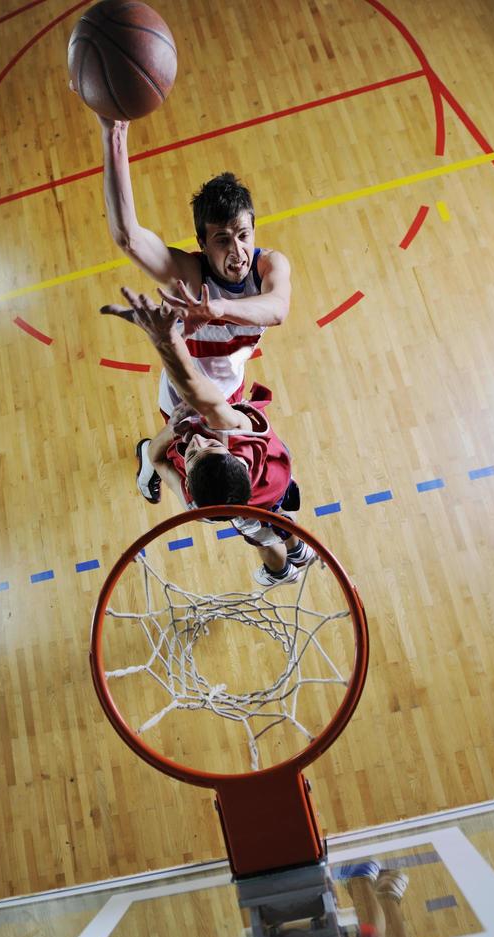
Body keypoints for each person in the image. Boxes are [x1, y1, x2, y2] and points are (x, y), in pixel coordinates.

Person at [96, 116, 292, 496]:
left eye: (243, 235)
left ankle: (152, 457)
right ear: (202, 244)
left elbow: (278, 309)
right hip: (182, 393)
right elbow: (128, 238)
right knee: (186, 466)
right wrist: (114, 134)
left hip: (230, 391)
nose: (237, 252)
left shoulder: (270, 265)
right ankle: (148, 463)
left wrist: (216, 310)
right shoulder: (189, 274)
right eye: (222, 240)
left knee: (220, 478)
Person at [115, 287, 314, 587]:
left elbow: (158, 453)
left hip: (266, 500)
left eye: (193, 454)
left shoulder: (202, 509)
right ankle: (298, 549)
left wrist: (166, 339)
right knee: (282, 522)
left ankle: (281, 571)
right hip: (279, 489)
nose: (196, 442)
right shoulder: (244, 434)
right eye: (208, 446)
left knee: (265, 541)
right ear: (231, 454)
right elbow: (208, 401)